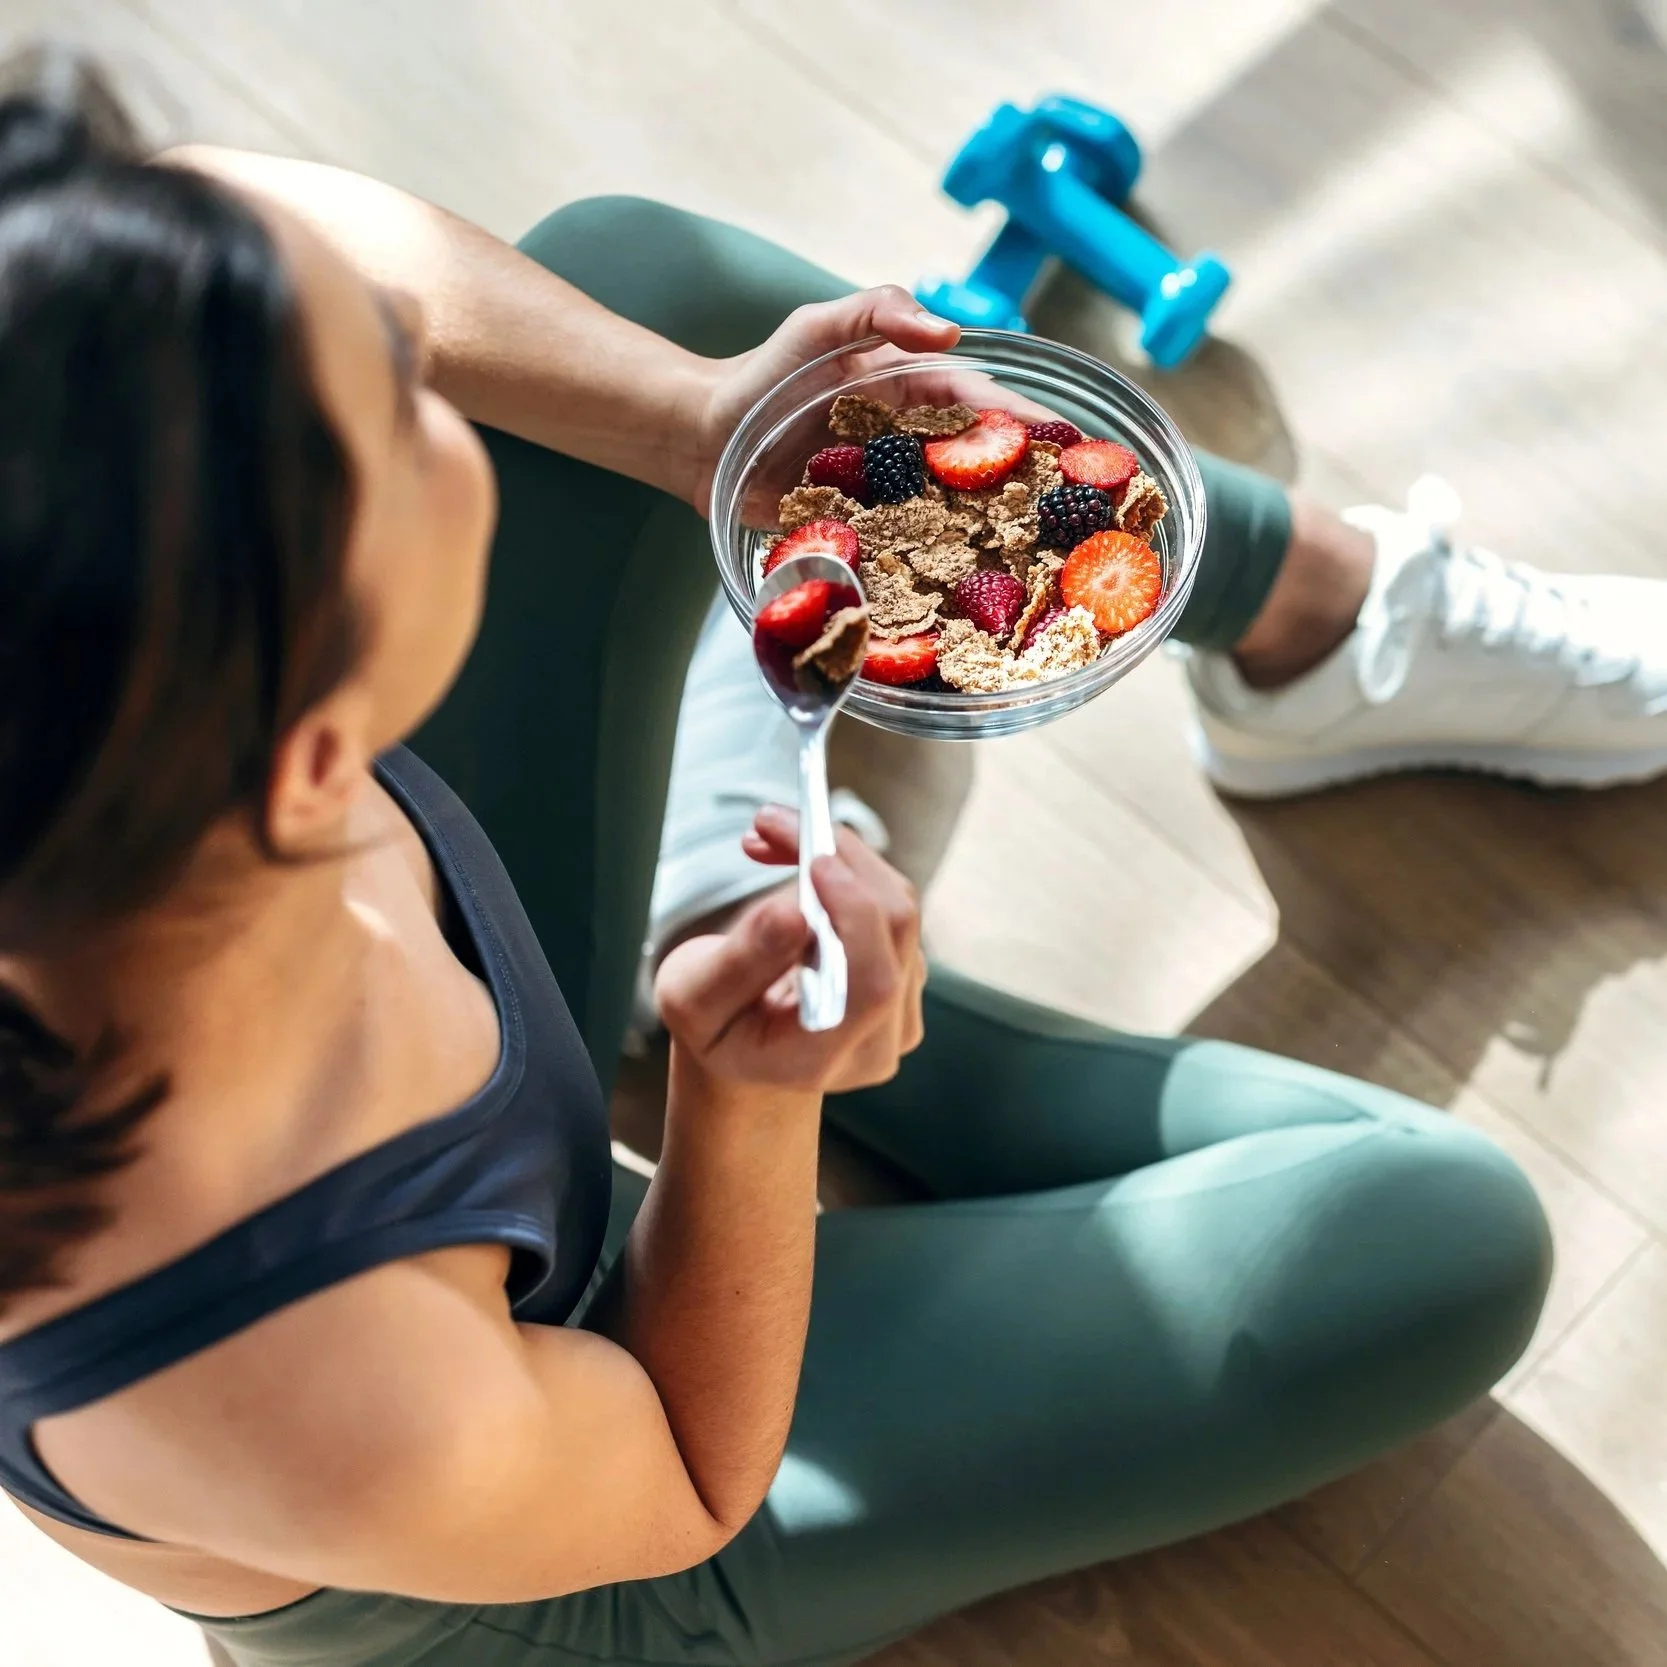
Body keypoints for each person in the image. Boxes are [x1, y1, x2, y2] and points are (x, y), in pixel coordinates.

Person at [0, 49, 1551, 1667]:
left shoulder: (124, 755)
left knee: (648, 291)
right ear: (323, 739)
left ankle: (1307, 622)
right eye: (394, 401)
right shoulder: (280, 1382)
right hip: (579, 1518)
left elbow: (229, 214)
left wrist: (699, 417)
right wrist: (749, 1101)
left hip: (441, 1098)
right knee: (1438, 1229)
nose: (412, 347)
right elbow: (679, 1471)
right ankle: (743, 965)